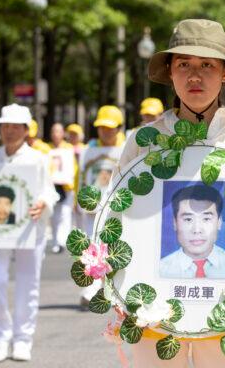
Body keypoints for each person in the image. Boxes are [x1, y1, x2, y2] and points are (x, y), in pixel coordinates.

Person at [119, 18, 225, 367]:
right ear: (170, 71)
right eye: (184, 65)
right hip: (155, 309)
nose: (195, 76)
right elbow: (117, 216)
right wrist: (121, 293)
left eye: (207, 65)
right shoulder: (144, 142)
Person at [0, 104, 59, 362]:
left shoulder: (37, 159)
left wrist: (43, 204)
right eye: (5, 126)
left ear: (27, 130)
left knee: (28, 284)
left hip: (29, 229)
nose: (10, 131)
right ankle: (1, 337)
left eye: (16, 126)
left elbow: (50, 191)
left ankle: (23, 339)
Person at [78, 105, 125, 307]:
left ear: (119, 128)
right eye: (101, 127)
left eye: (110, 127)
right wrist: (77, 201)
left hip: (119, 207)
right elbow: (80, 175)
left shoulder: (127, 146)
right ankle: (90, 290)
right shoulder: (89, 149)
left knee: (114, 249)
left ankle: (114, 290)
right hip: (93, 208)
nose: (106, 131)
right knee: (92, 247)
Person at [159, 185, 225, 279]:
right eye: (188, 219)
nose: (197, 230)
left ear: (219, 222)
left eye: (206, 219)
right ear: (175, 223)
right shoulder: (161, 270)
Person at [48, 123, 77, 254]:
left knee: (65, 214)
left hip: (66, 187)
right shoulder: (47, 149)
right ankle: (55, 241)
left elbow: (74, 169)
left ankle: (61, 242)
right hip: (52, 186)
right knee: (54, 216)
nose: (56, 134)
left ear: (63, 133)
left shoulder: (68, 148)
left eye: (58, 131)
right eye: (54, 131)